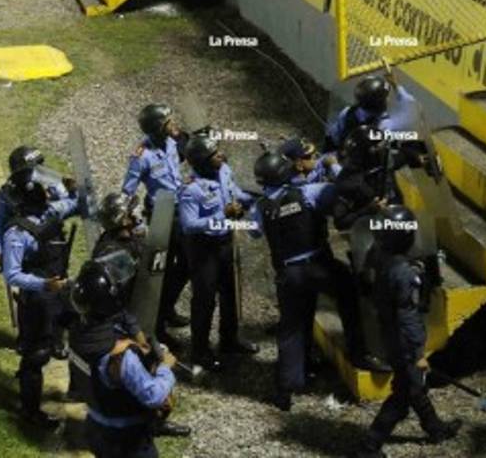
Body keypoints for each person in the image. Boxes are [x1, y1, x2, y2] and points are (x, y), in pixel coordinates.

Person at [254, 151, 375, 411]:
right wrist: (332, 165)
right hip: (318, 265)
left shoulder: (261, 207)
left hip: (288, 273)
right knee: (349, 297)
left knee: (291, 328)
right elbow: (341, 188)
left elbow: (254, 232)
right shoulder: (309, 193)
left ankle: (287, 389)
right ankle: (360, 354)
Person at [352, 205, 461, 458]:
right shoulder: (404, 272)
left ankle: (435, 428)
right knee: (403, 395)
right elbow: (408, 316)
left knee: (413, 386)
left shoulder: (377, 252)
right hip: (403, 340)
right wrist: (418, 352)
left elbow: (366, 276)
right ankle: (370, 445)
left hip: (387, 331)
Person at [70, 258, 178, 458]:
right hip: (127, 441)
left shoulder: (78, 333)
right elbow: (153, 396)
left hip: (95, 428)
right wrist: (165, 368)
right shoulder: (121, 356)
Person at [2, 166, 78, 428]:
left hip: (59, 290)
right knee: (37, 354)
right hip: (38, 298)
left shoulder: (51, 213)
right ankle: (30, 410)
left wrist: (75, 189)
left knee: (74, 334)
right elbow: (12, 274)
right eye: (45, 191)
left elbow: (80, 204)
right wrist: (43, 284)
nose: (50, 193)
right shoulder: (17, 233)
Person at [176, 132, 258, 371]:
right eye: (214, 154)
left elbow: (234, 192)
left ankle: (229, 340)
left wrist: (250, 200)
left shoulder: (223, 171)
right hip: (203, 249)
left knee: (230, 293)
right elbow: (190, 225)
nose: (220, 155)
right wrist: (223, 214)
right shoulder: (191, 190)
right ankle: (200, 350)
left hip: (225, 241)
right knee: (205, 299)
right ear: (202, 161)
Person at [122, 104, 190, 340]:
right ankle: (158, 328)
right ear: (158, 128)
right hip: (162, 217)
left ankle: (168, 308)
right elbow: (127, 192)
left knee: (185, 265)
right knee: (160, 271)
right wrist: (134, 222)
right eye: (168, 122)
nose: (174, 124)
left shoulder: (172, 143)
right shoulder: (142, 156)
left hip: (182, 211)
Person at [0, 145, 76, 263]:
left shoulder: (51, 183)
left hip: (50, 242)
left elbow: (68, 201)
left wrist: (72, 190)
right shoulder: (6, 192)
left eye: (40, 166)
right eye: (35, 168)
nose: (40, 170)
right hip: (24, 246)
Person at [324, 74, 393, 151]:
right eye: (385, 98)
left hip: (342, 151)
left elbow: (334, 136)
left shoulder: (347, 112)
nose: (388, 99)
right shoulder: (384, 124)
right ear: (378, 104)